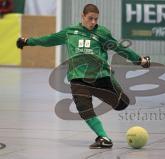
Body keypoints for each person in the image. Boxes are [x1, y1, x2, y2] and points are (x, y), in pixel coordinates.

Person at [16, 4, 150, 149]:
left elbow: (119, 48)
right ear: (83, 16)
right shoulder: (70, 32)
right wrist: (27, 41)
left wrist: (139, 60)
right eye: (90, 18)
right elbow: (49, 40)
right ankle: (104, 138)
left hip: (100, 76)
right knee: (84, 109)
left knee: (121, 104)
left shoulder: (102, 33)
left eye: (96, 19)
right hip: (78, 78)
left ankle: (112, 82)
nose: (93, 22)